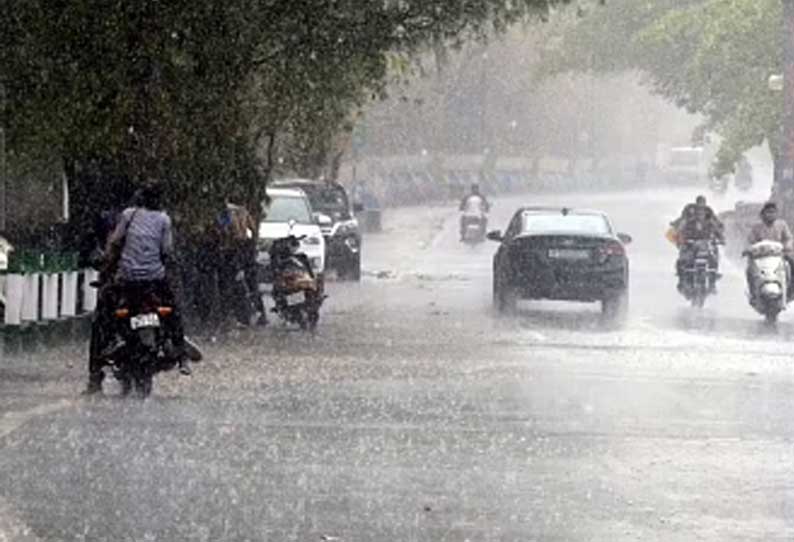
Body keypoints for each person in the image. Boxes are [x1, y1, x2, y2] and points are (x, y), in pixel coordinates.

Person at [83, 183, 191, 394]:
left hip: (127, 281)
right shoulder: (164, 220)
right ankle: (181, 354)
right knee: (173, 311)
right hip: (154, 280)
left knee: (101, 321)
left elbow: (115, 243)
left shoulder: (129, 215)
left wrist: (106, 264)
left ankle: (95, 375)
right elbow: (167, 250)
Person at [747, 202, 794, 296]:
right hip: (760, 257)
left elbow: (788, 238)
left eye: (773, 212)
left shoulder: (782, 224)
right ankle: (753, 293)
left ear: (776, 213)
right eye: (768, 212)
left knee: (792, 265)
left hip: (779, 255)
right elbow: (751, 240)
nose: (770, 215)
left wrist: (788, 246)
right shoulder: (757, 226)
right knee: (749, 270)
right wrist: (749, 250)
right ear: (763, 213)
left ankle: (790, 291)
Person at [675, 204, 723, 292]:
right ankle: (682, 280)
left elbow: (717, 231)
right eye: (698, 214)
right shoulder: (689, 223)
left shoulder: (710, 223)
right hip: (691, 246)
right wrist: (682, 240)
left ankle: (712, 281)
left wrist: (721, 239)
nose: (700, 216)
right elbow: (681, 232)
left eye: (702, 214)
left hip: (705, 247)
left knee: (714, 258)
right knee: (682, 260)